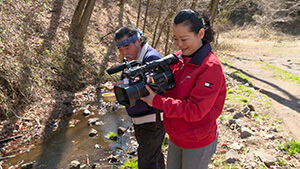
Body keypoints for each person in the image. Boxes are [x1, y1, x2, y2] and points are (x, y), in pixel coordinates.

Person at [140, 9, 226, 169]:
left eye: (184, 39)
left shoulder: (210, 67)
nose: (179, 44)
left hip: (197, 139)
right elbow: (169, 87)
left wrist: (157, 101)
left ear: (201, 33)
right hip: (176, 135)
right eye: (175, 39)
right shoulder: (180, 57)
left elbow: (195, 110)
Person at [105, 24, 166, 169]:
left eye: (127, 48)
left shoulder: (152, 58)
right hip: (140, 119)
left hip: (153, 120)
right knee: (155, 158)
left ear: (138, 41)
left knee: (147, 163)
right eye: (121, 49)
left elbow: (153, 89)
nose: (124, 52)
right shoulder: (131, 59)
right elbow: (127, 81)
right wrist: (118, 87)